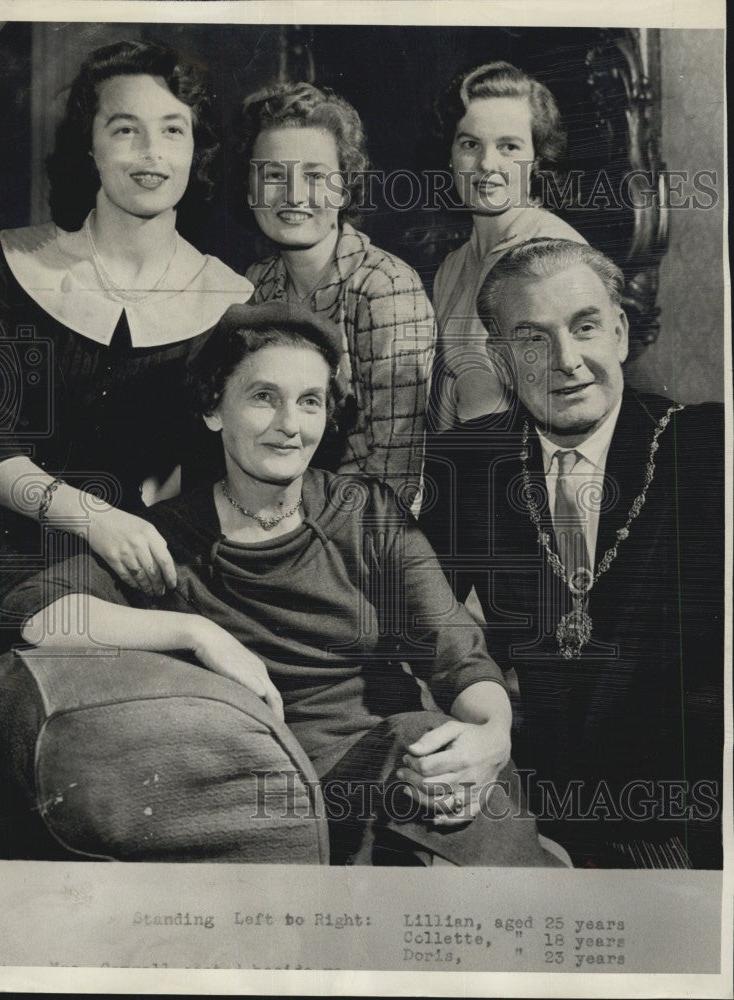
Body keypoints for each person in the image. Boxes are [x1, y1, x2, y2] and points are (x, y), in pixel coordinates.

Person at [3, 300, 565, 868]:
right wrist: (196, 632)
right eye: (263, 397)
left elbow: (458, 657)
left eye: (310, 402)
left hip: (406, 764)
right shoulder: (169, 537)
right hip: (264, 803)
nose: (290, 426)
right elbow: (31, 610)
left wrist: (493, 734)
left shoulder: (364, 511)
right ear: (213, 409)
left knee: (435, 753)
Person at [420, 238, 724, 868]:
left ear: (618, 332)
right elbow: (417, 626)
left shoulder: (707, 450)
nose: (566, 361)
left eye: (584, 327)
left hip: (688, 825)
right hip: (536, 811)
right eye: (531, 339)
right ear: (501, 357)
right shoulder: (469, 463)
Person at [0, 40, 253, 626]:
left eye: (173, 130)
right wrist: (94, 520)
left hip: (144, 566)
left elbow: (215, 478)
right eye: (125, 129)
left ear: (197, 148)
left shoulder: (233, 302)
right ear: (90, 143)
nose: (150, 153)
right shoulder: (7, 265)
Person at [237, 82, 435, 499]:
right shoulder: (254, 284)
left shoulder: (384, 288)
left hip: (362, 530)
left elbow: (397, 471)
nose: (293, 195)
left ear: (345, 188)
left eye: (314, 175)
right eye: (273, 175)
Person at [427, 61, 586, 429]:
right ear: (449, 155)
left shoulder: (557, 254)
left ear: (536, 159)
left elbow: (576, 405)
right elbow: (452, 400)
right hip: (472, 469)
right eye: (470, 144)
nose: (487, 163)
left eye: (509, 147)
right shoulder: (452, 267)